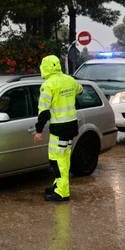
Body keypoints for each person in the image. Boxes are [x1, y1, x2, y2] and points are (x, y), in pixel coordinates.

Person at [34, 55, 82, 202]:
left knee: (56, 160)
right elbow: (80, 90)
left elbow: (44, 112)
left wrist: (38, 131)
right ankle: (59, 186)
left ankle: (62, 192)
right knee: (65, 158)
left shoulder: (48, 85)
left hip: (59, 129)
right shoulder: (69, 80)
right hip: (71, 126)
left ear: (45, 67)